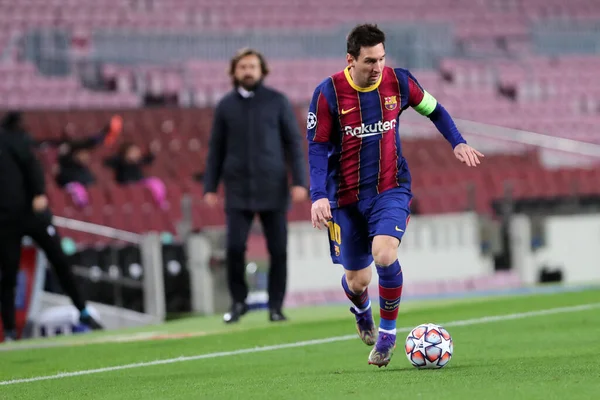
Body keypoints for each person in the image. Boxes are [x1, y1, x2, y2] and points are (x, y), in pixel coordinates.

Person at [306, 24, 484, 367]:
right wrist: (317, 195)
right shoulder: (328, 93)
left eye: (382, 58)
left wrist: (457, 141)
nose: (378, 67)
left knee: (384, 254)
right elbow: (316, 148)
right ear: (350, 59)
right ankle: (361, 309)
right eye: (370, 60)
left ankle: (387, 336)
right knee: (358, 279)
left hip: (390, 187)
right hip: (343, 198)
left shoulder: (399, 82)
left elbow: (435, 109)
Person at [203, 48, 308, 324]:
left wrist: (299, 181)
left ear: (262, 71)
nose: (247, 71)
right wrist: (210, 186)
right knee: (234, 249)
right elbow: (216, 148)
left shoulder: (278, 102)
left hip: (273, 188)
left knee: (278, 250)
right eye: (242, 67)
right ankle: (239, 302)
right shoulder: (225, 105)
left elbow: (293, 144)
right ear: (234, 72)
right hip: (238, 190)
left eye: (252, 66)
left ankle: (276, 306)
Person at [0, 112, 103, 341]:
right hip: (6, 221)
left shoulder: (12, 140)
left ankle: (83, 311)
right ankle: (9, 331)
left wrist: (38, 192)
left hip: (31, 214)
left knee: (59, 261)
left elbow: (31, 165)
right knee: (8, 274)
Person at [104, 141, 166, 209]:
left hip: (139, 182)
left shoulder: (138, 162)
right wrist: (124, 159)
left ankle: (159, 202)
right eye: (133, 152)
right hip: (126, 183)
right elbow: (107, 162)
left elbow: (147, 160)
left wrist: (152, 152)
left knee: (156, 182)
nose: (135, 154)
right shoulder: (121, 161)